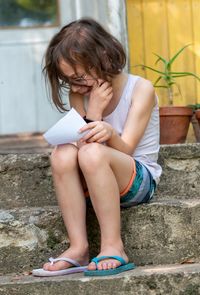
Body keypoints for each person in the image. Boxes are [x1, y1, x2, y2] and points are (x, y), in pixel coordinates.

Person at [32, 17, 162, 277]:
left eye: (79, 77)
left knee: (91, 151)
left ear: (103, 56)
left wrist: (108, 130)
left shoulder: (140, 90)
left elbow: (126, 150)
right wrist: (94, 112)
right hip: (95, 177)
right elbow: (81, 145)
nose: (77, 86)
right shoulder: (80, 93)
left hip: (137, 179)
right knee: (62, 154)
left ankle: (114, 245)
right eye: (69, 80)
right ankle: (78, 247)